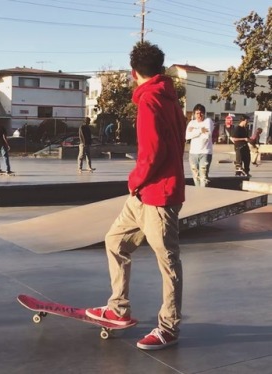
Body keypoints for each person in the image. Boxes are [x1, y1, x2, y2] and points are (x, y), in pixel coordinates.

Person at [85, 41, 187, 350]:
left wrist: (135, 179)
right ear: (160, 69)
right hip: (145, 196)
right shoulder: (172, 101)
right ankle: (118, 308)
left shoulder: (150, 101)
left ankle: (168, 327)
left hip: (158, 196)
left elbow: (152, 153)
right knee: (115, 241)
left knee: (168, 263)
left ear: (133, 73)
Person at [185, 104, 214, 187]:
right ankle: (198, 194)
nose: (199, 115)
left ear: (204, 113)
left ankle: (204, 195)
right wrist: (200, 130)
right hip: (193, 153)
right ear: (194, 114)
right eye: (197, 113)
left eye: (201, 113)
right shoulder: (191, 123)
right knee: (195, 177)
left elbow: (207, 136)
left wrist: (194, 130)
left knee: (203, 177)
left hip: (205, 152)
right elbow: (187, 136)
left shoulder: (208, 121)